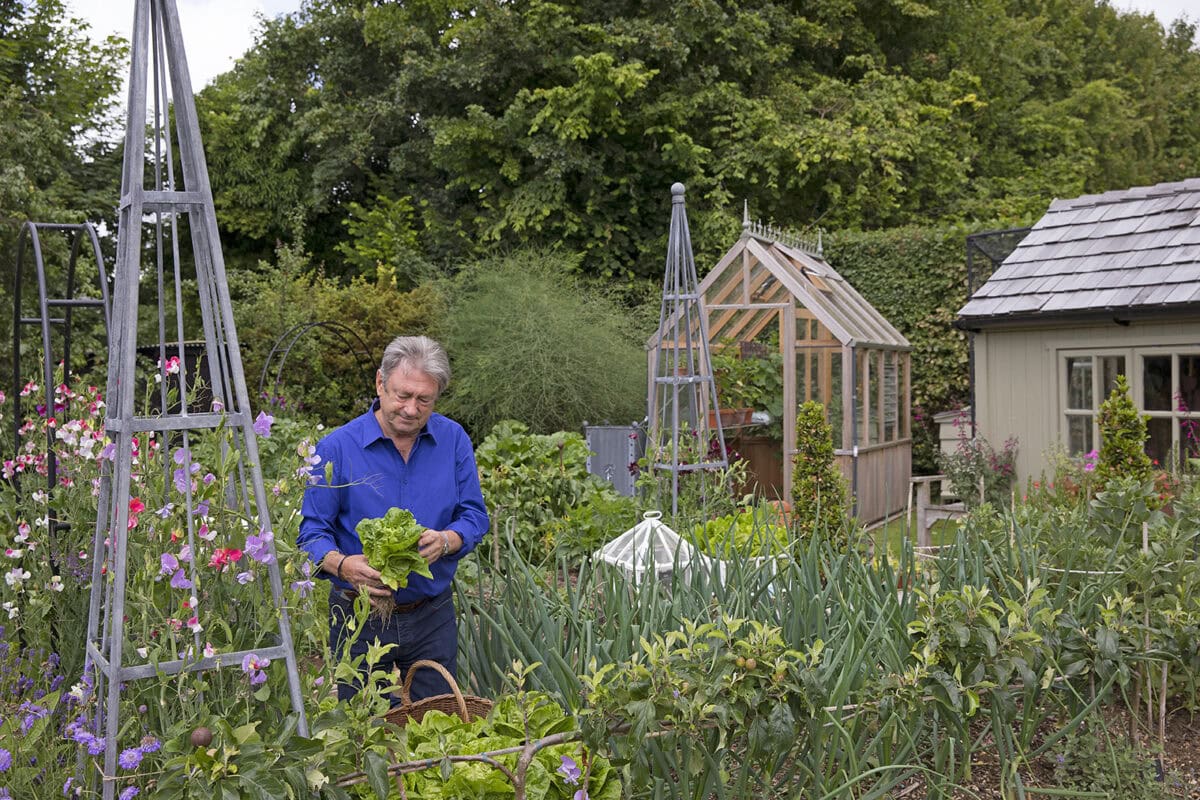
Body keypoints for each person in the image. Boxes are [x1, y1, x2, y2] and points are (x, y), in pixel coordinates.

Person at [298, 335, 489, 703]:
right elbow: (311, 533)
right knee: (364, 727)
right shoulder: (337, 448)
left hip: (431, 613)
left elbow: (474, 516)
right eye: (402, 395)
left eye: (424, 400)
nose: (412, 409)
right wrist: (343, 566)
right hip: (359, 613)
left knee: (440, 722)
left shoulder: (453, 440)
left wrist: (448, 540)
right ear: (380, 384)